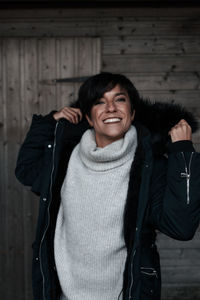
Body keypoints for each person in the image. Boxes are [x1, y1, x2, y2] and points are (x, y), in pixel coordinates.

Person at [15, 72, 200, 300]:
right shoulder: (63, 160)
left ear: (131, 113)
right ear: (90, 118)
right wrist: (49, 121)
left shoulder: (151, 167)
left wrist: (182, 151)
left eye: (119, 99)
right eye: (100, 101)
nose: (111, 107)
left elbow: (181, 226)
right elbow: (26, 169)